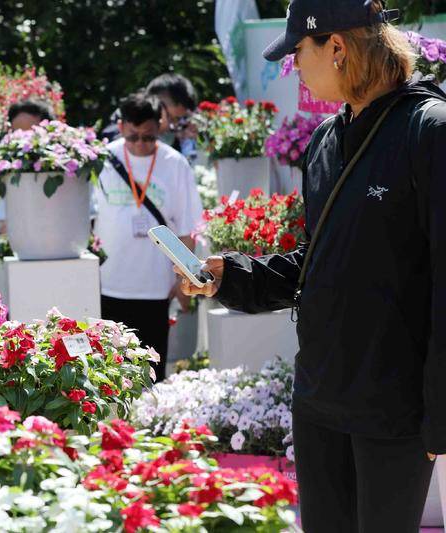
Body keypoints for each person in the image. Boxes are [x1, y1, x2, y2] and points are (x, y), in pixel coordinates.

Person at [177, 1, 444, 531]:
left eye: (299, 50)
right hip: (320, 397)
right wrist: (229, 277)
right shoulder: (323, 140)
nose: (294, 65)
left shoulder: (430, 130)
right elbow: (315, 262)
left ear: (337, 48)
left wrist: (439, 418)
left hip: (394, 409)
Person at [94, 91, 203, 382]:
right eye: (133, 137)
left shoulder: (176, 164)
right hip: (109, 283)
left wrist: (184, 280)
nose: (140, 145)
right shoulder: (101, 160)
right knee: (111, 374)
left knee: (151, 374)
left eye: (149, 137)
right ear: (120, 128)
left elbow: (188, 228)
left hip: (156, 286)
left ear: (160, 127)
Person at [0, 99, 57, 230]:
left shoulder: (67, 167)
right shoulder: (5, 169)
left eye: (31, 134)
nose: (24, 142)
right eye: (18, 134)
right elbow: (4, 226)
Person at [146, 73, 199, 161]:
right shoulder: (128, 129)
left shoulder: (175, 139)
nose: (175, 126)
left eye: (182, 120)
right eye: (173, 119)